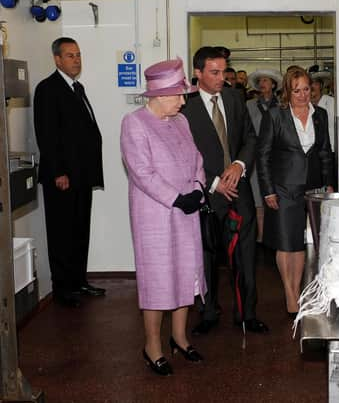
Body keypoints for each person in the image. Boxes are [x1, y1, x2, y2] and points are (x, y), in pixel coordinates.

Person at [120, 58, 206, 376]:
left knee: (186, 273)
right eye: (177, 95)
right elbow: (141, 172)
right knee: (158, 278)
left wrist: (197, 188)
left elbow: (197, 158)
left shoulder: (181, 121)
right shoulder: (135, 123)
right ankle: (152, 346)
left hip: (186, 211)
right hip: (155, 215)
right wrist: (175, 198)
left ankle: (180, 338)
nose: (183, 101)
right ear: (158, 95)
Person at [183, 46, 269, 334]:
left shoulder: (234, 98)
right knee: (206, 254)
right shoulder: (185, 105)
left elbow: (250, 138)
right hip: (206, 192)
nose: (221, 78)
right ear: (198, 73)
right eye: (214, 72)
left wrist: (239, 165)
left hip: (238, 189)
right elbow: (184, 152)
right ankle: (208, 313)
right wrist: (214, 181)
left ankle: (247, 313)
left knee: (245, 253)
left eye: (223, 71)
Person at [257, 67, 334, 316]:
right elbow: (263, 156)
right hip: (283, 187)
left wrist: (329, 183)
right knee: (285, 242)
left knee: (299, 243)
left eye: (306, 89)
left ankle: (296, 289)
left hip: (312, 187)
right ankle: (289, 292)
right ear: (287, 92)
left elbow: (324, 152)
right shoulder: (275, 116)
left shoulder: (320, 115)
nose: (302, 95)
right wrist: (267, 190)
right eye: (296, 90)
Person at [33, 37, 105, 308]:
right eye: (70, 55)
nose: (76, 59)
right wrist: (58, 172)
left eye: (78, 54)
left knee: (79, 231)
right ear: (57, 59)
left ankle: (78, 281)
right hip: (61, 178)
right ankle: (62, 288)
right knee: (62, 233)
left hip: (82, 176)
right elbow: (47, 135)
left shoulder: (77, 87)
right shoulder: (48, 89)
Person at [246, 69, 283, 243]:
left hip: (277, 158)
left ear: (274, 84)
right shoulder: (249, 105)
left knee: (278, 198)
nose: (262, 84)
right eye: (260, 81)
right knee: (258, 199)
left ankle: (278, 236)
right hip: (257, 158)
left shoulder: (282, 105)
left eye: (266, 80)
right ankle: (261, 238)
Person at [310, 70, 336, 148]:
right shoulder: (303, 105)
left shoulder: (332, 103)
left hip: (331, 149)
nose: (312, 87)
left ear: (321, 86)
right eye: (309, 84)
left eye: (315, 83)